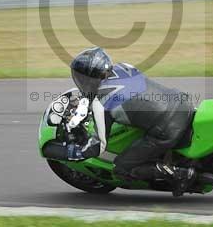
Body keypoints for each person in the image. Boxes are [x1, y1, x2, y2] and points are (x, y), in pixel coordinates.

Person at [67, 46, 197, 196]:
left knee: (121, 168)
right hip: (182, 102)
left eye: (81, 78)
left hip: (167, 128)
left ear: (89, 78)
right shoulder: (125, 67)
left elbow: (99, 145)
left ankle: (178, 174)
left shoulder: (101, 104)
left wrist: (76, 152)